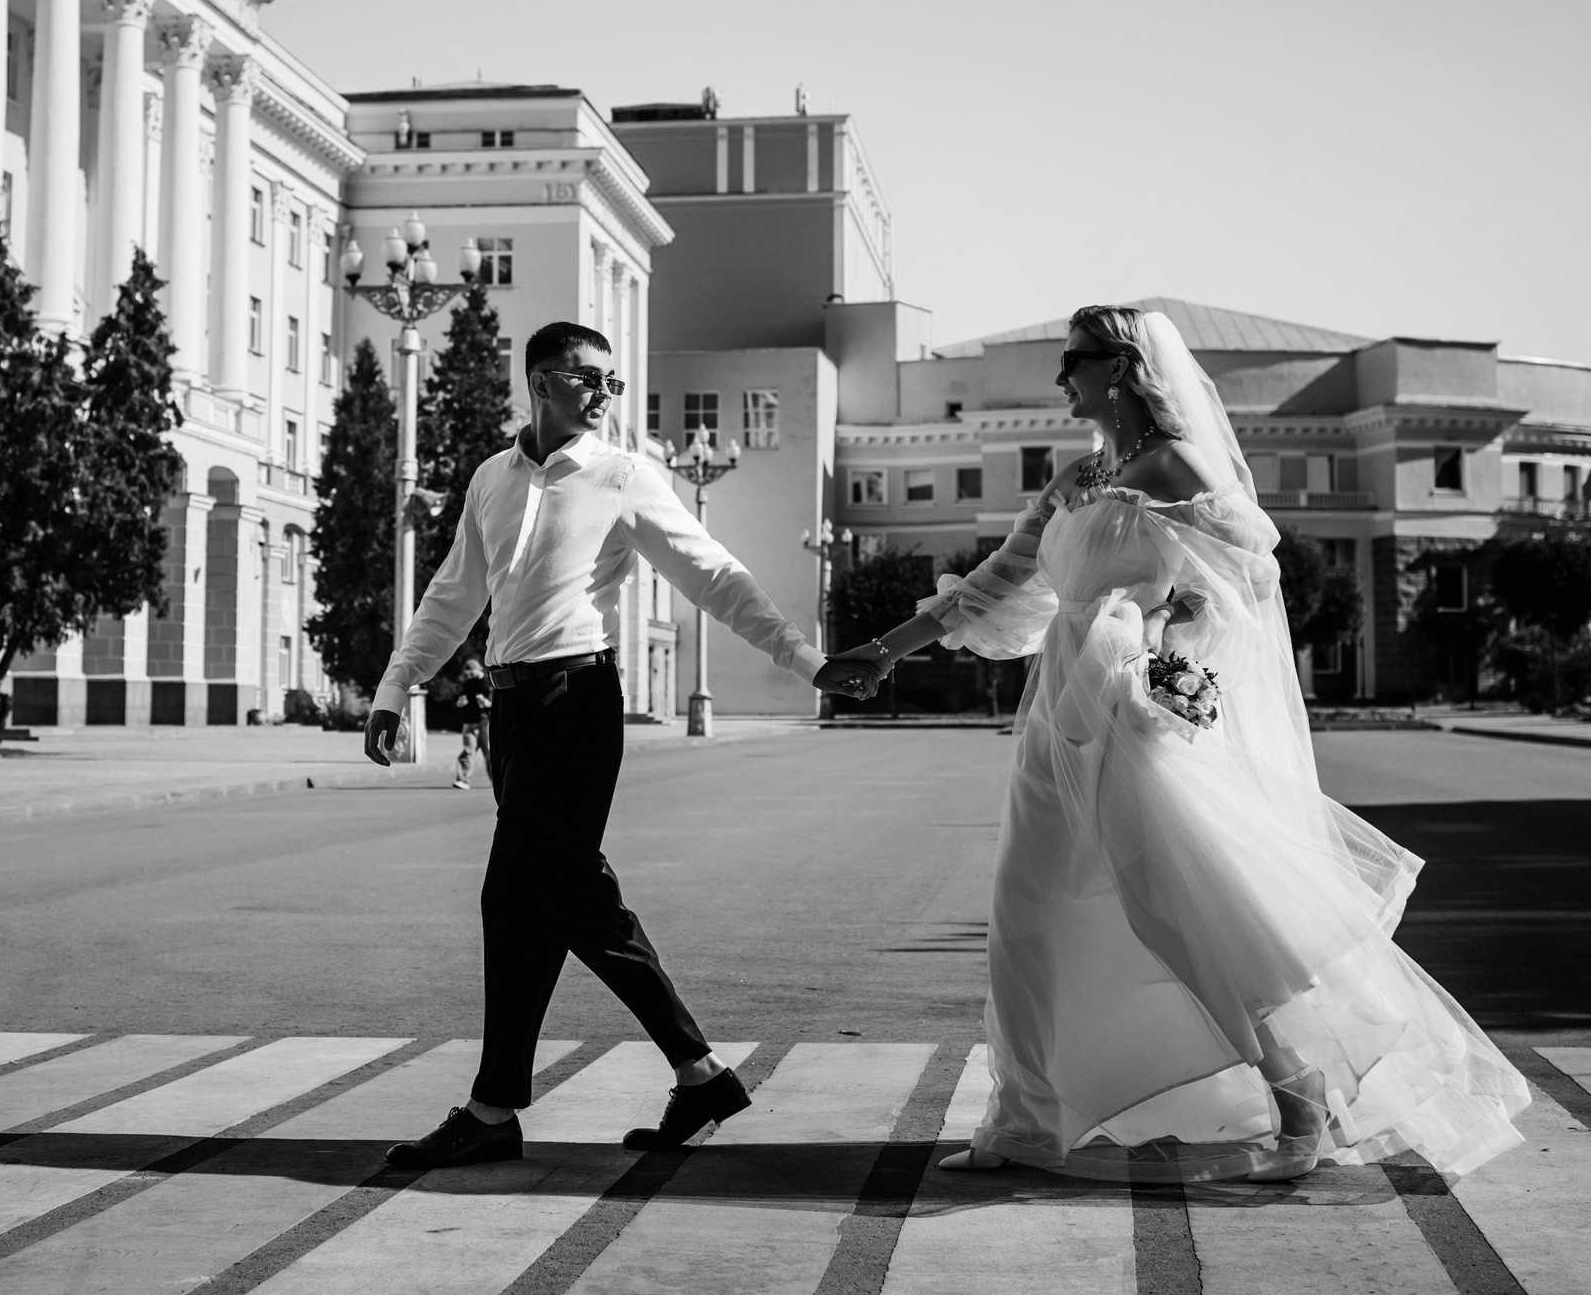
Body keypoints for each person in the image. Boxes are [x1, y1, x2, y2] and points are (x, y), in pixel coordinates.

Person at [833, 306, 1528, 1183]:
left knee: (1186, 914)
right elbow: (991, 585)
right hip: (1054, 714)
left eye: (1074, 361)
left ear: (1119, 367)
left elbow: (1256, 575)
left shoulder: (1177, 466)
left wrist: (1171, 625)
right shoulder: (1076, 478)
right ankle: (1024, 1123)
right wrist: (880, 652)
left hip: (1132, 714)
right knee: (1025, 913)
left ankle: (1298, 1091)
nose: (1061, 378)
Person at [366, 320, 881, 1170]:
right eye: (587, 378)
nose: (606, 395)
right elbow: (453, 594)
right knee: (574, 899)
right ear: (539, 380)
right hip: (515, 711)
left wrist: (806, 660)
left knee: (517, 895)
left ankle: (496, 1109)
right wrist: (397, 682)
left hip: (576, 701)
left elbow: (711, 572)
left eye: (612, 381)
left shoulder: (622, 474)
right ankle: (700, 1072)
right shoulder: (492, 479)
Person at [451, 657, 490, 791]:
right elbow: (459, 701)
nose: (469, 676)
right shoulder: (467, 684)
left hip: (485, 722)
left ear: (478, 669)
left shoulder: (488, 682)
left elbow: (497, 703)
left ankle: (499, 782)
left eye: (471, 673)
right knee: (468, 751)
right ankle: (463, 780)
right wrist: (459, 704)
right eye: (467, 674)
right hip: (469, 722)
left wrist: (487, 704)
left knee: (490, 753)